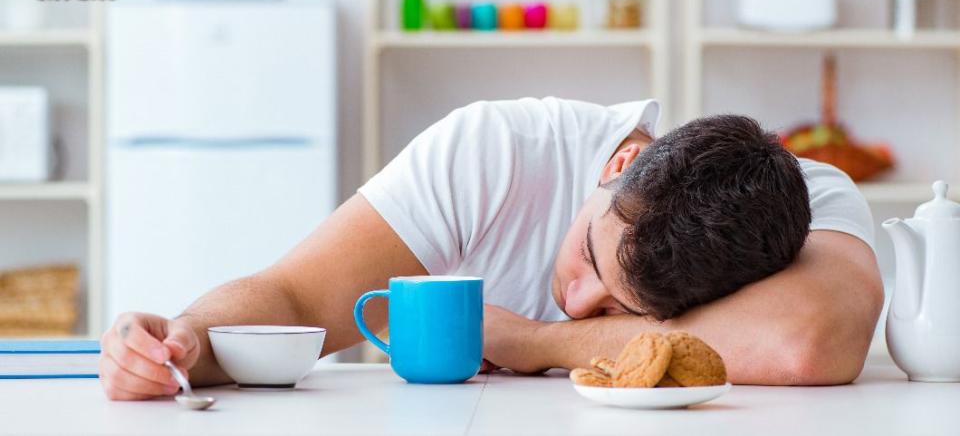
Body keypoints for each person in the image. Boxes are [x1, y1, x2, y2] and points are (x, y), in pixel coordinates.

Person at [99, 97, 883, 400]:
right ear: (616, 167)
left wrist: (538, 340)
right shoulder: (499, 151)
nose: (578, 298)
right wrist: (182, 338)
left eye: (616, 310)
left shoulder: (806, 199)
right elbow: (299, 299)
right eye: (589, 257)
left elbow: (804, 343)